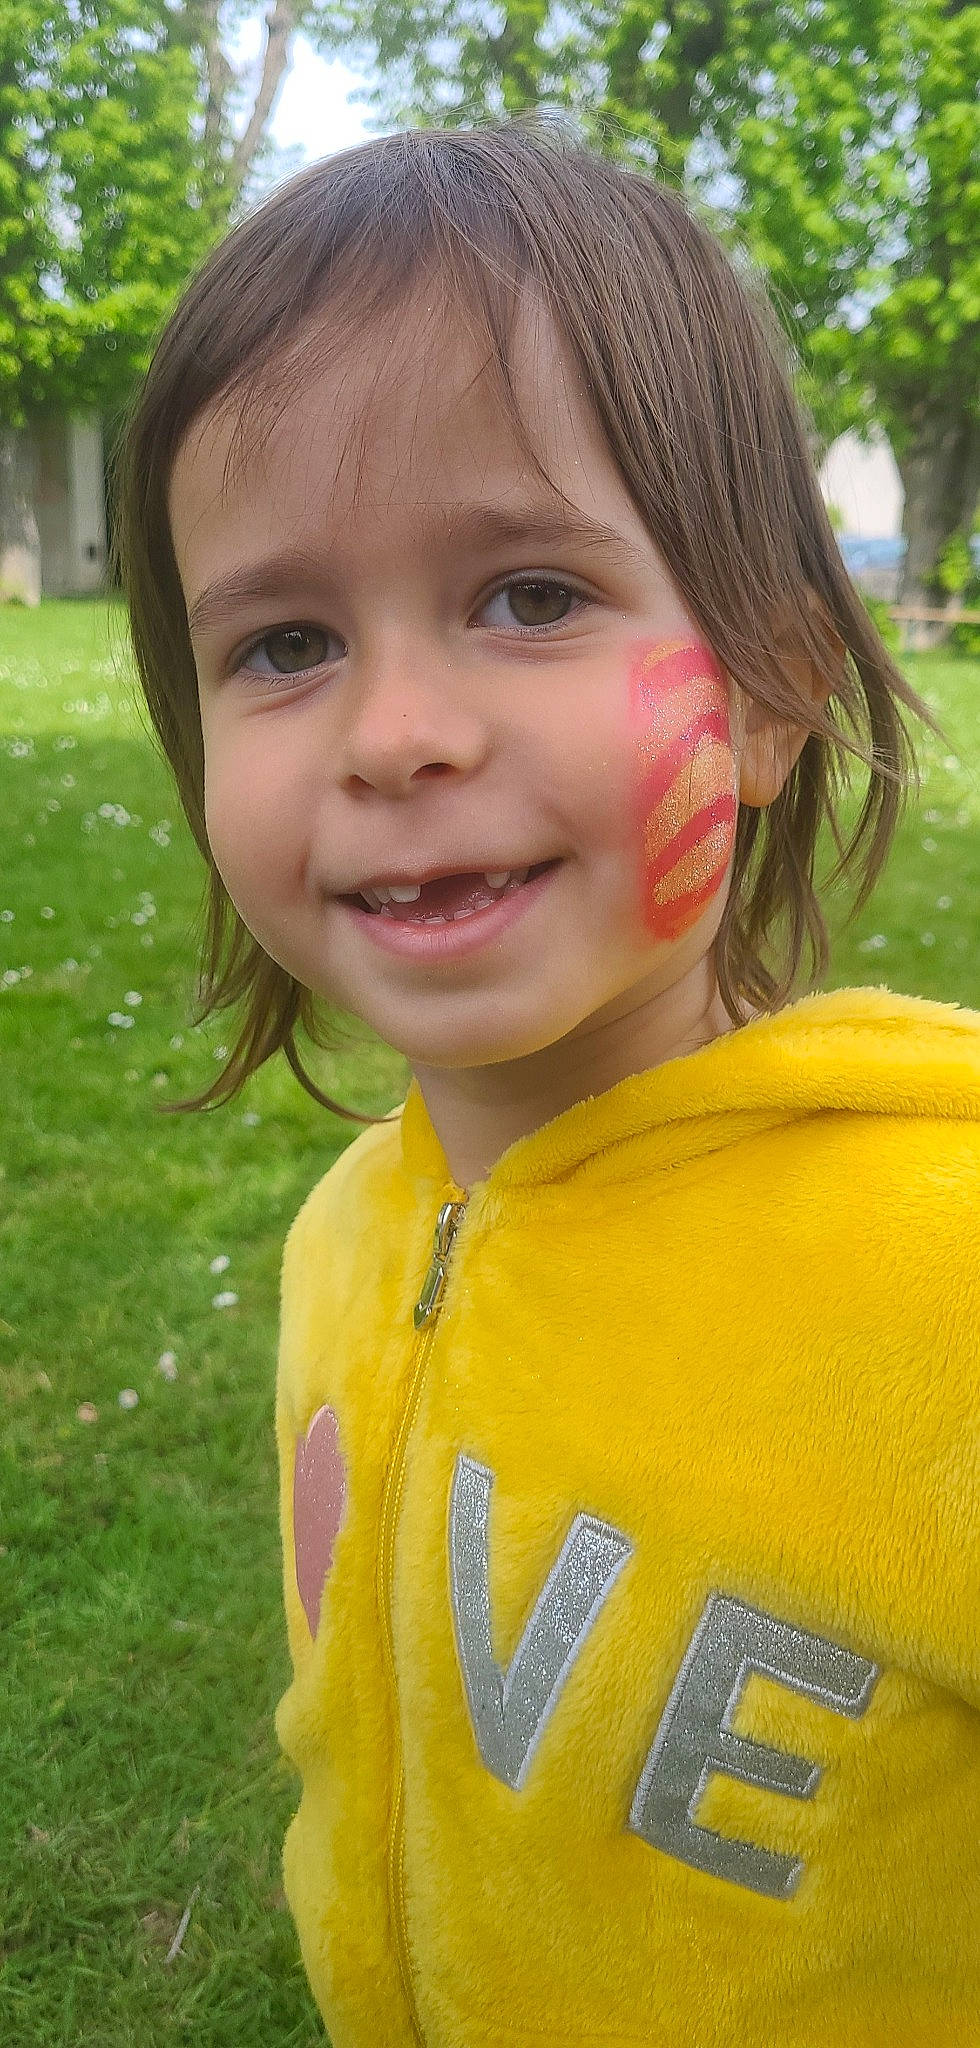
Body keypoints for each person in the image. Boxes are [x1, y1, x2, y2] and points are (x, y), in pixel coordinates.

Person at [115, 119, 979, 2047]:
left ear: (768, 688)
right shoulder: (351, 1231)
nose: (397, 734)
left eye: (527, 597)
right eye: (284, 642)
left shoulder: (950, 1286)